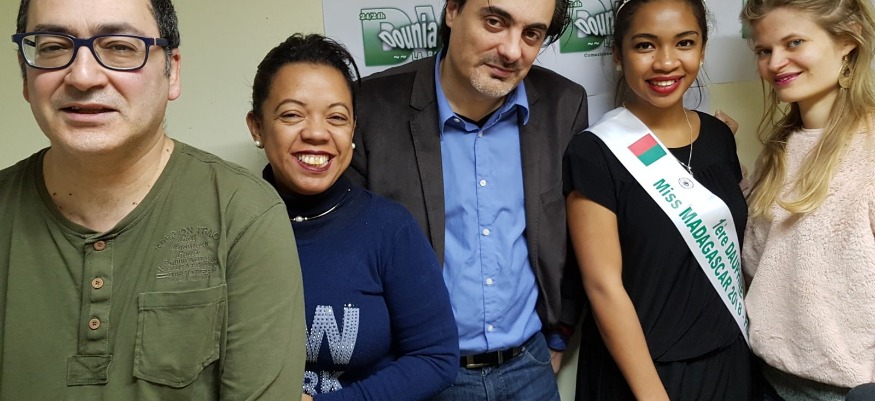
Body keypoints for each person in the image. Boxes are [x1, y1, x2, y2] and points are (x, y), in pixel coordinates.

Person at [0, 0, 306, 399]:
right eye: (54, 47)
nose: (83, 75)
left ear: (172, 71)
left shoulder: (244, 213)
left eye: (120, 47)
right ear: (26, 75)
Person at [347, 0, 588, 398]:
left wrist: (561, 332)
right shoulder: (370, 107)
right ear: (453, 10)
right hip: (420, 373)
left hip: (530, 367)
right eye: (494, 22)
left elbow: (577, 235)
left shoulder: (565, 104)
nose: (511, 51)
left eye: (532, 34)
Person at [245, 33, 459, 401]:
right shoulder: (230, 226)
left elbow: (436, 358)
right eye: (292, 114)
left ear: (353, 130)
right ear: (257, 127)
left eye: (336, 117)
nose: (316, 133)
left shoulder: (389, 229)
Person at [563, 0, 757, 400]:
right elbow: (603, 288)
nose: (666, 62)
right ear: (618, 55)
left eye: (684, 43)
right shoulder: (595, 152)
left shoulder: (719, 137)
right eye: (645, 45)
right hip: (642, 376)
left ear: (702, 49)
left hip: (728, 362)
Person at [740, 0, 875, 400]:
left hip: (850, 391)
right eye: (764, 50)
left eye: (794, 42)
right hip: (768, 380)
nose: (775, 63)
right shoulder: (776, 154)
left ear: (847, 40)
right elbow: (759, 267)